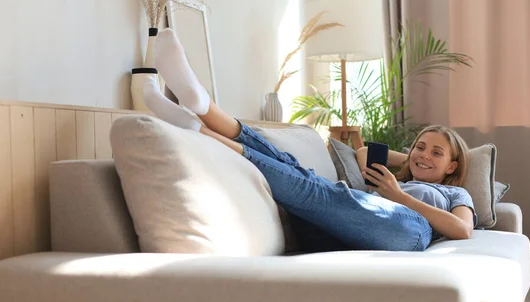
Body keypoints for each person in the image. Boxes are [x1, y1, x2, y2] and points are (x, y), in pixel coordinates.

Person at [142, 28, 476, 252]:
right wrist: (414, 163)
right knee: (292, 168)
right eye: (420, 146)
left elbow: (462, 231)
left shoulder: (455, 192)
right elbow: (361, 155)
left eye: (437, 152)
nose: (423, 154)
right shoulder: (395, 176)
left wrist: (401, 197)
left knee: (307, 186)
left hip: (408, 230)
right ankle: (201, 107)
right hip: (341, 228)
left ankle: (199, 127)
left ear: (453, 165)